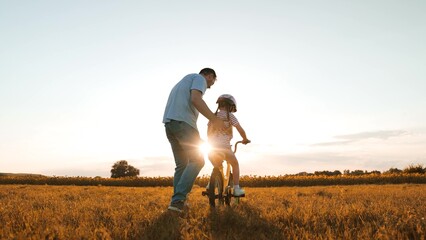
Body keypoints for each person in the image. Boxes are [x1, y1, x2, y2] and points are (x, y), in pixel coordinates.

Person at [163, 68, 225, 213]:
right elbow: (196, 99)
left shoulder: (183, 82)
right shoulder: (199, 79)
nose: (209, 86)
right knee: (197, 161)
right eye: (212, 82)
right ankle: (178, 200)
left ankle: (176, 203)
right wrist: (214, 119)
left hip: (170, 124)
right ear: (209, 76)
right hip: (183, 123)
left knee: (182, 165)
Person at [207, 94, 250, 197]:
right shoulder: (230, 116)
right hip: (225, 148)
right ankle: (236, 188)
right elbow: (240, 129)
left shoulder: (213, 116)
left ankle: (210, 185)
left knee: (216, 165)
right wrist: (245, 139)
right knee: (235, 164)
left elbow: (208, 132)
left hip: (212, 148)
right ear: (230, 106)